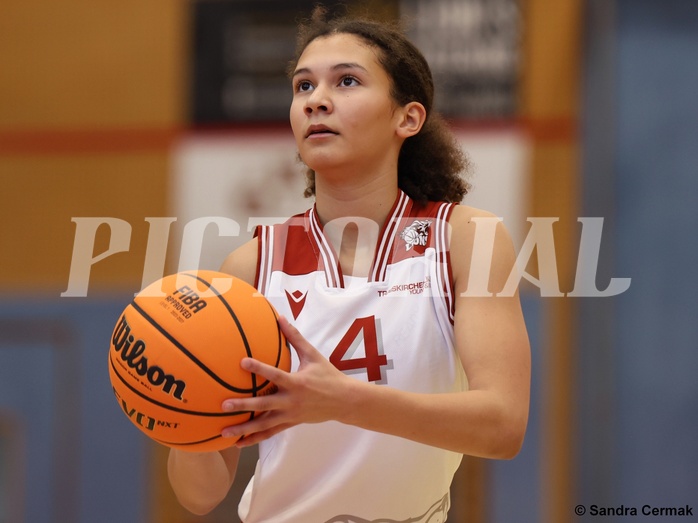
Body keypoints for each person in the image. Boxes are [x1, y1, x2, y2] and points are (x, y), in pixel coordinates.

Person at [168, 6, 530, 522]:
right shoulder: (251, 265)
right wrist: (180, 407)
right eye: (302, 87)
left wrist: (344, 401)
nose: (316, 100)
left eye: (346, 81)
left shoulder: (465, 239)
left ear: (407, 117)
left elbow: (503, 425)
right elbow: (199, 495)